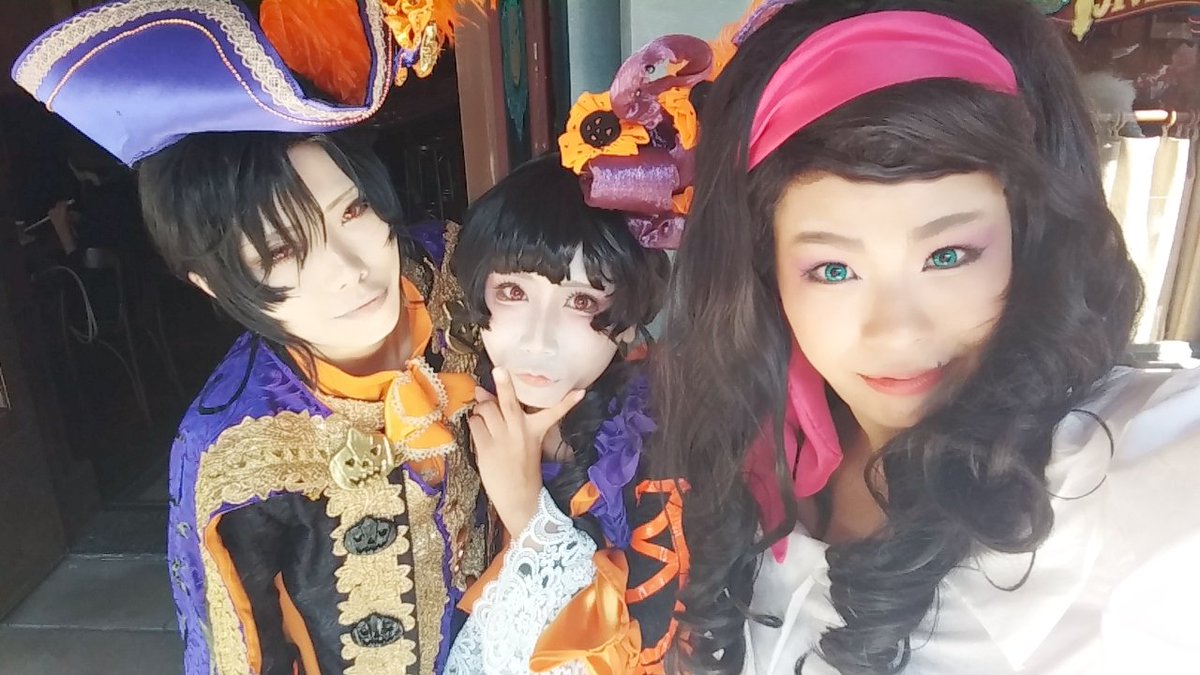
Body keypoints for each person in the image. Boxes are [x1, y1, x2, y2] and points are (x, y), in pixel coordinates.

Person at [649, 0, 1200, 673]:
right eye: (833, 269)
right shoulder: (759, 451)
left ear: (1026, 234)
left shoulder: (1118, 472)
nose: (898, 331)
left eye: (948, 255)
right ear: (767, 277)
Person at [13, 1, 489, 673]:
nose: (349, 270)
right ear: (212, 282)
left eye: (352, 210)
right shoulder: (236, 450)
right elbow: (242, 655)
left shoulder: (453, 268)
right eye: (282, 252)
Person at [444, 33, 710, 673]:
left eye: (582, 301)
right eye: (513, 292)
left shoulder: (665, 452)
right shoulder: (450, 403)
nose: (537, 340)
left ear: (628, 321)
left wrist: (526, 513)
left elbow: (640, 654)